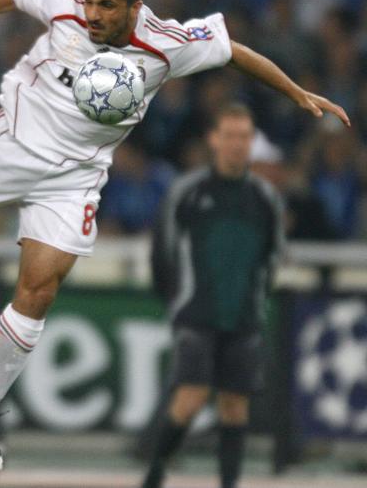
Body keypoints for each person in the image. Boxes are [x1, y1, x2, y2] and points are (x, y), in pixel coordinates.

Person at [0, 0, 349, 471]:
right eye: (90, 0)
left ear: (134, 8)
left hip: (73, 177)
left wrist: (295, 91)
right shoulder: (66, 8)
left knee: (40, 288)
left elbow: (236, 53)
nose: (92, 13)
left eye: (106, 5)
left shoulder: (166, 42)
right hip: (10, 146)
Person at [139, 103, 285, 488]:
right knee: (189, 398)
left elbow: (272, 257)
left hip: (244, 314)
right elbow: (163, 251)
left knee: (235, 405)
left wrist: (257, 301)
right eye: (231, 136)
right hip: (197, 311)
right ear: (214, 140)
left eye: (245, 137)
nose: (238, 145)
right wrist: (174, 299)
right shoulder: (188, 191)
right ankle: (155, 472)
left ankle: (228, 483)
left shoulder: (264, 198)